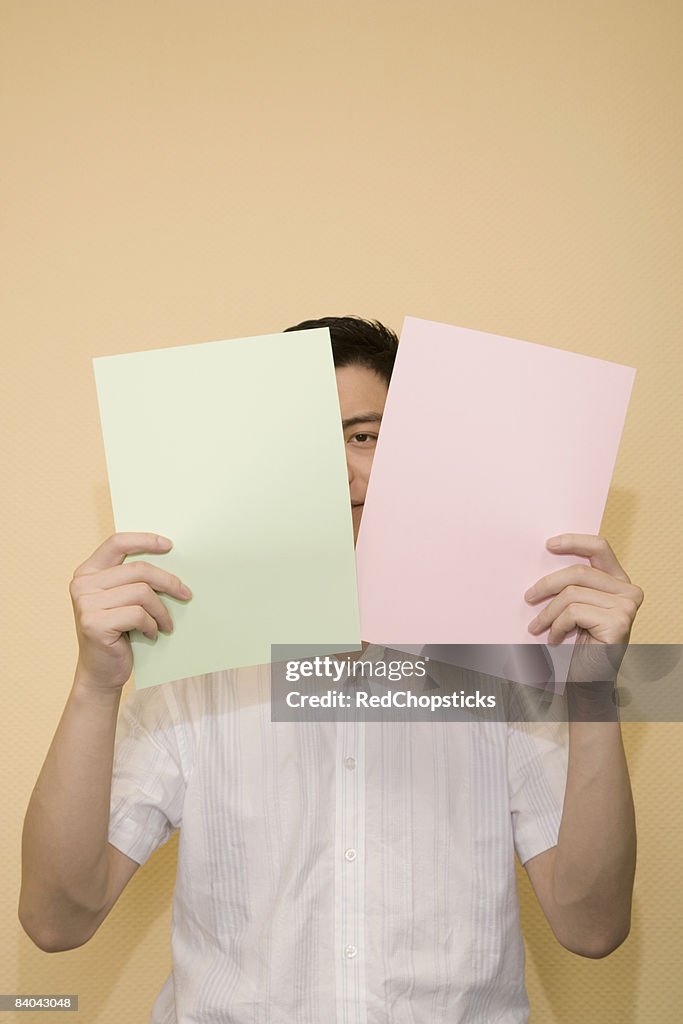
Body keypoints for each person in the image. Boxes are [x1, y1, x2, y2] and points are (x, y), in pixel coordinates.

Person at [19, 316, 643, 1023]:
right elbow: (55, 920)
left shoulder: (501, 665)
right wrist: (94, 685)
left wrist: (592, 688)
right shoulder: (191, 674)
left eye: (363, 436)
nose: (335, 472)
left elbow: (591, 927)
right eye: (301, 446)